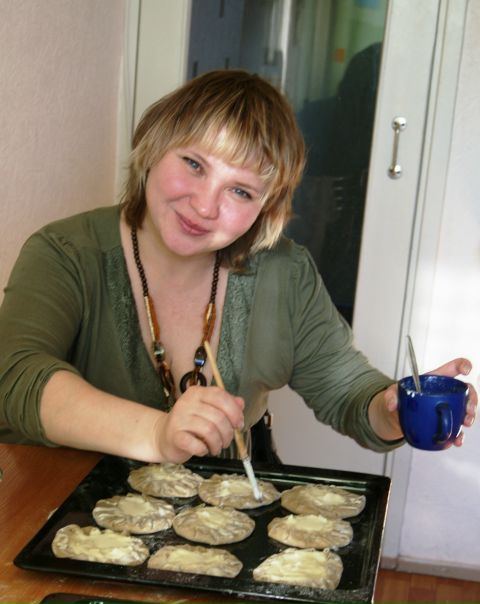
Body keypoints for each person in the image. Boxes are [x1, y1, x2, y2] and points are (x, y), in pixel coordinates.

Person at [0, 70, 476, 464]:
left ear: (266, 211)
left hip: (223, 520)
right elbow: (14, 374)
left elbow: (350, 394)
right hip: (68, 514)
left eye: (240, 191)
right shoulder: (65, 252)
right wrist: (157, 435)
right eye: (194, 164)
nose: (205, 206)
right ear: (152, 146)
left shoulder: (285, 273)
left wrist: (392, 409)